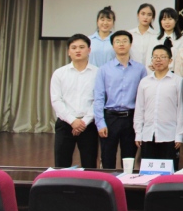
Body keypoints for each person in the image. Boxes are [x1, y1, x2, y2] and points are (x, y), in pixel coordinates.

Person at [94, 30, 147, 169]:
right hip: (110, 118)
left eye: (125, 41)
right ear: (113, 46)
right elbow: (99, 97)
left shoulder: (140, 69)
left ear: (130, 44)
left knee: (129, 159)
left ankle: (127, 182)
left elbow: (144, 97)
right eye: (117, 41)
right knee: (107, 158)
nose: (121, 44)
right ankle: (107, 182)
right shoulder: (104, 69)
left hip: (131, 118)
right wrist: (100, 123)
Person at [50, 34, 99, 168]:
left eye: (82, 47)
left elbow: (99, 100)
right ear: (68, 51)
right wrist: (72, 121)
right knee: (61, 163)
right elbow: (56, 100)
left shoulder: (98, 73)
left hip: (88, 125)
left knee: (89, 164)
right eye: (74, 47)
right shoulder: (59, 73)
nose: (78, 50)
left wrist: (83, 122)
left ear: (89, 50)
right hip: (65, 124)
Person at [134, 45, 183, 167]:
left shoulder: (178, 81)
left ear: (170, 60)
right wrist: (138, 133)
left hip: (169, 136)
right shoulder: (144, 82)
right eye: (155, 57)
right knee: (148, 172)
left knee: (169, 172)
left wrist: (179, 135)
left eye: (162, 57)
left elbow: (181, 110)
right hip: (148, 134)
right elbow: (139, 109)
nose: (158, 60)